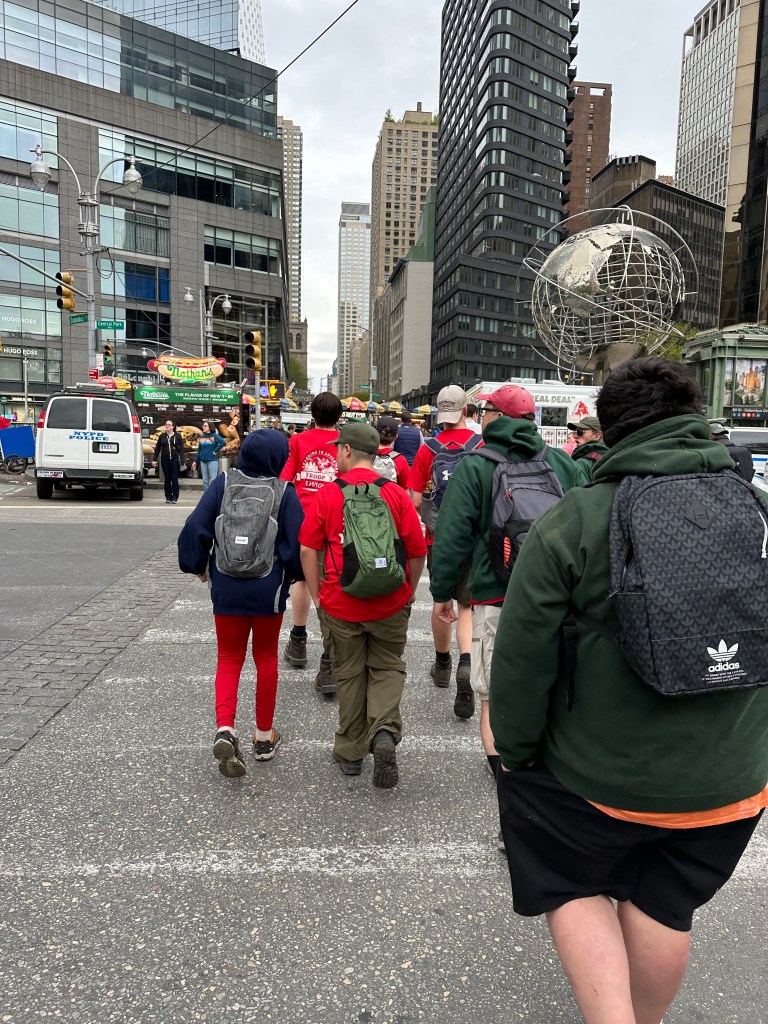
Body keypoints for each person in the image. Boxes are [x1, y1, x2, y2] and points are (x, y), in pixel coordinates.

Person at [490, 359, 768, 1024]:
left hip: (598, 780)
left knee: (568, 877)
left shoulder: (575, 520)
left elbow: (522, 663)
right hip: (730, 783)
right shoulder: (758, 509)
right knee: (666, 904)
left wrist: (517, 756)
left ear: (609, 431)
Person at [430, 384, 579, 774]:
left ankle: (505, 775)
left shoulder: (476, 465)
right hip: (554, 599)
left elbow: (451, 536)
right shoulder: (562, 463)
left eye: (485, 412)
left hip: (496, 594)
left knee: (493, 696)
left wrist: (442, 592)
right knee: (550, 686)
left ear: (496, 417)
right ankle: (545, 769)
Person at [299, 421, 427, 788]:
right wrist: (409, 591)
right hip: (390, 602)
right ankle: (383, 731)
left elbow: (308, 549)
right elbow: (417, 551)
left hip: (341, 604)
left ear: (346, 451)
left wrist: (319, 597)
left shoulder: (329, 494)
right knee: (387, 666)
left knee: (349, 673)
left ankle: (351, 752)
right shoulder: (396, 494)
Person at [178, 430, 304, 778]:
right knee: (266, 658)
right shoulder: (284, 491)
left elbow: (195, 525)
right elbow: (297, 542)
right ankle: (263, 737)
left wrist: (196, 564)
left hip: (227, 585)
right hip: (268, 589)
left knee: (229, 658)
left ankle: (225, 728)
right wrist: (294, 575)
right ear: (278, 458)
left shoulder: (222, 485)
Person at [408, 385, 479, 707]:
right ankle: (466, 660)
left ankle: (442, 665)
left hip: (438, 537)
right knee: (466, 605)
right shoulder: (480, 445)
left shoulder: (429, 449)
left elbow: (415, 499)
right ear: (465, 411)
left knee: (442, 602)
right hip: (473, 538)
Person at [280, 392, 342, 694]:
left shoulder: (298, 441)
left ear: (312, 415)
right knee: (333, 582)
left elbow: (285, 479)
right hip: (336, 518)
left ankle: (299, 640)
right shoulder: (344, 442)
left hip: (303, 519)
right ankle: (329, 660)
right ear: (339, 416)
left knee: (302, 579)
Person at [567, 415, 608, 481]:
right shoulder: (613, 455)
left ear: (597, 436)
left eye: (579, 432)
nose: (574, 436)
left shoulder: (583, 463)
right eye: (575, 432)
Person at [152, 419, 185, 504]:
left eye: (169, 425)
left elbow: (181, 449)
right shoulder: (162, 436)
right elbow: (157, 448)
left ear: (173, 426)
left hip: (174, 460)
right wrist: (154, 459)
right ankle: (168, 496)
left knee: (174, 478)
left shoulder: (178, 436)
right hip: (165, 460)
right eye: (166, 424)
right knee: (167, 479)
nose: (167, 426)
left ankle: (175, 497)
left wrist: (182, 460)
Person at [374, 416, 410, 488]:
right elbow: (405, 489)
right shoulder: (400, 460)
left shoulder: (365, 455)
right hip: (391, 494)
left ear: (375, 433)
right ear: (396, 437)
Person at [191, 420, 225, 491]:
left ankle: (212, 495)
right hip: (203, 462)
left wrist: (215, 450)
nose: (203, 427)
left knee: (213, 479)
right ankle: (206, 495)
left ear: (210, 427)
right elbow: (199, 450)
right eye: (203, 426)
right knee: (205, 481)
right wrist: (195, 461)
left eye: (205, 426)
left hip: (212, 461)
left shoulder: (214, 436)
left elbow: (223, 442)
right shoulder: (202, 437)